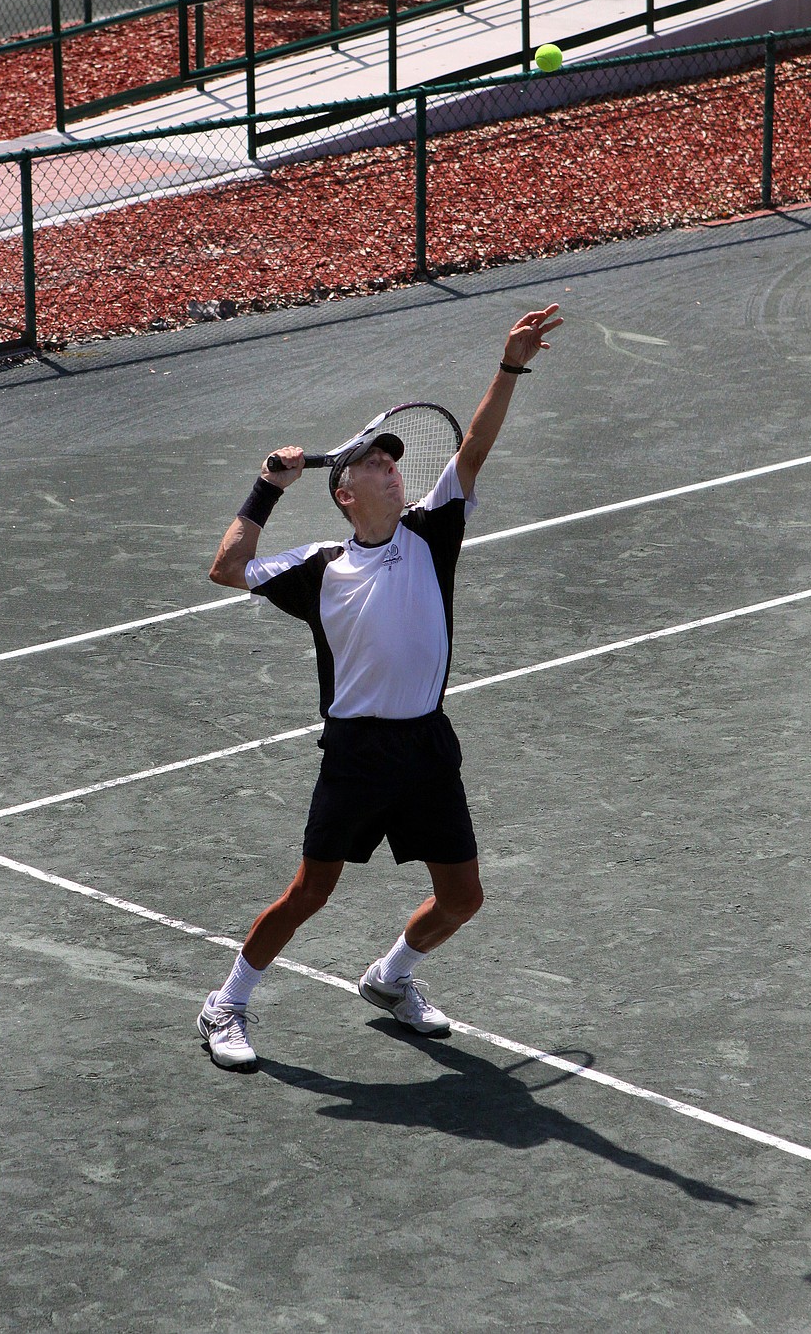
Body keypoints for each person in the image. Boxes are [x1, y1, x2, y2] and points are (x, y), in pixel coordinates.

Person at [197, 304, 563, 1070]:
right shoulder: (319, 567)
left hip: (428, 742)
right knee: (309, 894)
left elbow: (476, 446)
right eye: (374, 461)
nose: (392, 466)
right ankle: (225, 1003)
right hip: (358, 751)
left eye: (394, 459)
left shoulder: (435, 532)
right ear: (345, 493)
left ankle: (391, 978)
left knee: (463, 898)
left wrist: (511, 365)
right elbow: (227, 567)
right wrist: (266, 487)